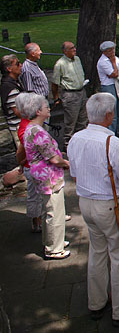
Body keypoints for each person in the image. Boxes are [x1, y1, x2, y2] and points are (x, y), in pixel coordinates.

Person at [68, 93, 119, 326]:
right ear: (109, 115)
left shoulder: (76, 139)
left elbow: (73, 172)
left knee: (97, 252)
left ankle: (97, 302)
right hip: (110, 206)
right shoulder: (111, 143)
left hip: (86, 202)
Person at [21, 93, 70, 260]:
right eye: (45, 107)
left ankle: (53, 240)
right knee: (54, 211)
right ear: (37, 111)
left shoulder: (31, 128)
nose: (48, 108)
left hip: (42, 174)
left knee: (49, 210)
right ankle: (54, 248)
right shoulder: (38, 132)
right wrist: (66, 163)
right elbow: (54, 159)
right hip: (49, 176)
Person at [51, 41, 88, 151]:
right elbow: (55, 83)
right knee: (71, 121)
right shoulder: (60, 64)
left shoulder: (77, 59)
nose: (75, 49)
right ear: (65, 51)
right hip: (70, 95)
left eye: (74, 47)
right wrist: (56, 97)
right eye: (72, 48)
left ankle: (81, 142)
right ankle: (68, 146)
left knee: (83, 119)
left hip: (81, 92)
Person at [15, 93, 42, 233]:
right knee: (35, 195)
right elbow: (21, 151)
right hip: (32, 166)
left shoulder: (28, 124)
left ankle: (39, 218)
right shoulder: (26, 127)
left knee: (38, 195)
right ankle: (36, 220)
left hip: (32, 165)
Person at [97, 40, 119, 138]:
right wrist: (113, 63)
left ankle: (117, 130)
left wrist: (115, 62)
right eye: (110, 50)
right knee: (112, 111)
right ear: (104, 52)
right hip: (108, 87)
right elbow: (114, 74)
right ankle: (111, 134)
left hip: (116, 86)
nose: (112, 52)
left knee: (118, 109)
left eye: (113, 49)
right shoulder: (103, 62)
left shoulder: (115, 58)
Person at [1, 55, 24, 146]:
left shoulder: (13, 82)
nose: (21, 65)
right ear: (9, 69)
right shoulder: (9, 87)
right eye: (17, 64)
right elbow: (17, 112)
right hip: (18, 127)